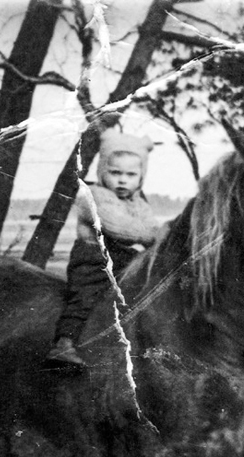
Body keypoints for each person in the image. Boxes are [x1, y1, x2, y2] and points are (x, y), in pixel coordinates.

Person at [47, 130, 159, 368]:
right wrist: (158, 235)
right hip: (93, 259)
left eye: (131, 174)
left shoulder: (139, 202)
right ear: (102, 172)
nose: (122, 180)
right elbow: (118, 226)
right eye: (115, 172)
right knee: (86, 295)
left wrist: (156, 234)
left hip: (123, 258)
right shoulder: (94, 196)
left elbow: (149, 222)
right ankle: (64, 343)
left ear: (141, 177)